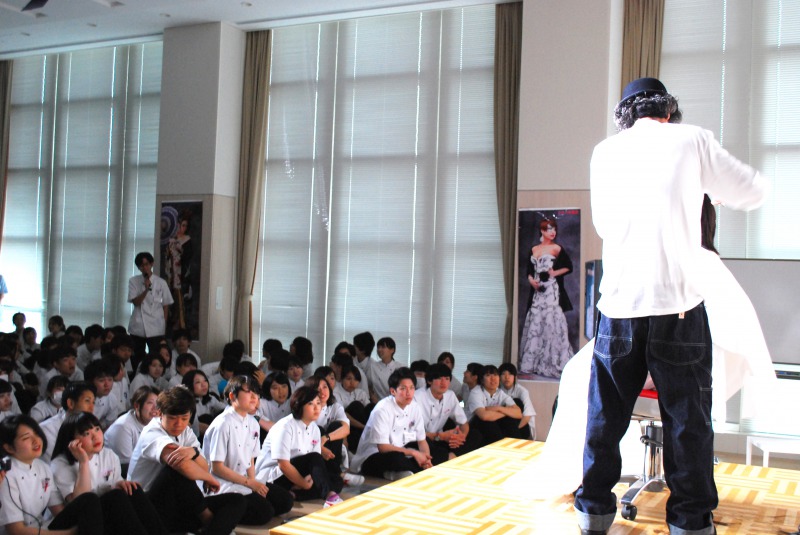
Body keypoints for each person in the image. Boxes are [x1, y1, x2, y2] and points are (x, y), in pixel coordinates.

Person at [574, 77, 768, 535]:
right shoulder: (692, 140)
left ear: (625, 116)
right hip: (678, 305)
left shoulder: (604, 151)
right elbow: (751, 191)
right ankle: (690, 522)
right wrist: (709, 190)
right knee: (687, 422)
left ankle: (593, 512)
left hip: (620, 306)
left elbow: (604, 225)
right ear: (668, 112)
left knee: (605, 417)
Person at [126, 386, 246, 535]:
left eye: (184, 418)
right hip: (149, 504)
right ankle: (207, 520)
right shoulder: (152, 433)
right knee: (176, 470)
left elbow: (203, 466)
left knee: (238, 501)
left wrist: (193, 453)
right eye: (172, 418)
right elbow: (182, 465)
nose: (179, 424)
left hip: (180, 501)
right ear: (160, 413)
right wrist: (209, 478)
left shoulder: (186, 432)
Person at [50, 412, 167, 535]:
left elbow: (114, 482)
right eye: (86, 434)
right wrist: (83, 462)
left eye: (97, 429)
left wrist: (121, 484)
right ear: (72, 441)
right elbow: (82, 503)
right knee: (115, 497)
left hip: (105, 512)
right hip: (78, 522)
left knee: (133, 490)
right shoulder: (60, 464)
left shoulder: (108, 454)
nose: (95, 437)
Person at [203, 376, 294, 525]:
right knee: (265, 512)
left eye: (256, 393)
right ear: (232, 396)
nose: (254, 397)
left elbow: (251, 459)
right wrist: (249, 483)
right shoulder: (223, 423)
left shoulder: (253, 422)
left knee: (285, 501)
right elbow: (217, 467)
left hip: (244, 479)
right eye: (248, 392)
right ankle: (222, 512)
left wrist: (253, 484)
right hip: (222, 482)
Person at [0, 415, 104, 535]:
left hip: (42, 527)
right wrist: (68, 533)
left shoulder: (42, 467)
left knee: (101, 502)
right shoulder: (5, 474)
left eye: (36, 433)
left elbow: (58, 511)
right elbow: (16, 530)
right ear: (9, 447)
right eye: (26, 438)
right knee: (89, 501)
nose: (36, 440)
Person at [254, 385, 345, 507]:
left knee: (337, 481)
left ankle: (295, 494)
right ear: (299, 405)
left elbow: (314, 466)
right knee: (315, 460)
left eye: (318, 403)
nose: (316, 408)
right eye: (311, 404)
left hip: (298, 472)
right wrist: (303, 483)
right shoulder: (285, 426)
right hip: (275, 475)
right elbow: (283, 465)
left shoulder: (314, 428)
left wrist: (309, 478)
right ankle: (330, 498)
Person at [350, 367, 432, 481]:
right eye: (403, 388)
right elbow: (383, 448)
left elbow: (422, 440)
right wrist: (414, 453)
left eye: (412, 388)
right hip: (373, 455)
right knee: (397, 458)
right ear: (393, 391)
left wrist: (426, 459)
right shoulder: (382, 409)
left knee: (435, 449)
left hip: (400, 449)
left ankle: (398, 473)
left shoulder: (415, 407)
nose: (408, 393)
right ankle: (410, 471)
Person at [518, 217, 574, 378]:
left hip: (551, 289)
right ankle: (533, 362)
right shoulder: (534, 249)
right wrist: (531, 281)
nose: (553, 232)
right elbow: (529, 270)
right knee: (536, 320)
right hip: (538, 290)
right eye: (549, 229)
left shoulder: (557, 248)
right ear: (542, 231)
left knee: (550, 320)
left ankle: (551, 360)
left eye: (554, 229)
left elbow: (569, 267)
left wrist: (554, 273)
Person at [414, 363, 481, 464]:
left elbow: (464, 423)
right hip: (423, 440)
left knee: (475, 435)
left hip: (442, 438)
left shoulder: (450, 395)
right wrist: (441, 436)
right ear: (429, 381)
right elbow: (413, 433)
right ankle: (451, 457)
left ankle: (451, 457)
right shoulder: (417, 398)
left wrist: (460, 438)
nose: (443, 382)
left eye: (447, 378)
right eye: (439, 379)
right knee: (433, 448)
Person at [306, 373, 363, 487]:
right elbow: (304, 435)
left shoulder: (335, 407)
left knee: (336, 426)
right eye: (317, 389)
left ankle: (335, 474)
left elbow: (346, 429)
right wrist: (320, 447)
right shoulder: (306, 408)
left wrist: (326, 438)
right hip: (309, 449)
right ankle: (338, 475)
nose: (322, 391)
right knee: (319, 430)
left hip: (329, 447)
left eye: (325, 387)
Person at [128, 252, 174, 371]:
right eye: (141, 265)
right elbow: (136, 302)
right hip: (138, 326)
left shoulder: (161, 282)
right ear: (138, 267)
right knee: (137, 358)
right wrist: (146, 289)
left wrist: (163, 324)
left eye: (146, 264)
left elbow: (166, 305)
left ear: (151, 264)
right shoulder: (133, 281)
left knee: (156, 356)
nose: (144, 268)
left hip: (156, 326)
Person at [106, 385, 160, 476]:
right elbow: (126, 466)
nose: (155, 408)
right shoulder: (123, 427)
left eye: (158, 403)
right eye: (150, 403)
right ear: (137, 406)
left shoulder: (157, 422)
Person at [39, 381, 97, 463]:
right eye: (87, 401)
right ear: (71, 403)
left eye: (93, 402)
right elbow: (54, 462)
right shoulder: (47, 430)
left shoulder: (91, 425)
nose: (92, 408)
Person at [467, 364, 524, 446]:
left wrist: (498, 408)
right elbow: (484, 416)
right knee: (489, 422)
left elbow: (518, 413)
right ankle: (501, 448)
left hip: (491, 424)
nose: (493, 378)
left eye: (495, 375)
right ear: (482, 380)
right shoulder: (476, 392)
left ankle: (516, 447)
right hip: (472, 426)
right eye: (488, 375)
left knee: (510, 420)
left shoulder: (499, 392)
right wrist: (506, 412)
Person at [164, 211, 193, 331]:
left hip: (181, 273)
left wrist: (180, 250)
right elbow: (167, 256)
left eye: (185, 226)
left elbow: (187, 257)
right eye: (181, 225)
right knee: (171, 299)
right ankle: (173, 322)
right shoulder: (171, 240)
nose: (182, 228)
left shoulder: (187, 240)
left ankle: (181, 324)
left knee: (180, 299)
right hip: (171, 272)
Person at [498, 362, 535, 439]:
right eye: (503, 374)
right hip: (505, 425)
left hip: (521, 425)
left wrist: (514, 430)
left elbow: (527, 415)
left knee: (516, 401)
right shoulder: (498, 391)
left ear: (514, 377)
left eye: (510, 374)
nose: (507, 377)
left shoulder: (522, 391)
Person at [367, 337, 401, 403]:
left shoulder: (399, 367)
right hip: (377, 403)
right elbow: (368, 385)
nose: (379, 350)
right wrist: (373, 397)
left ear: (392, 350)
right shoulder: (373, 366)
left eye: (383, 347)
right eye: (378, 347)